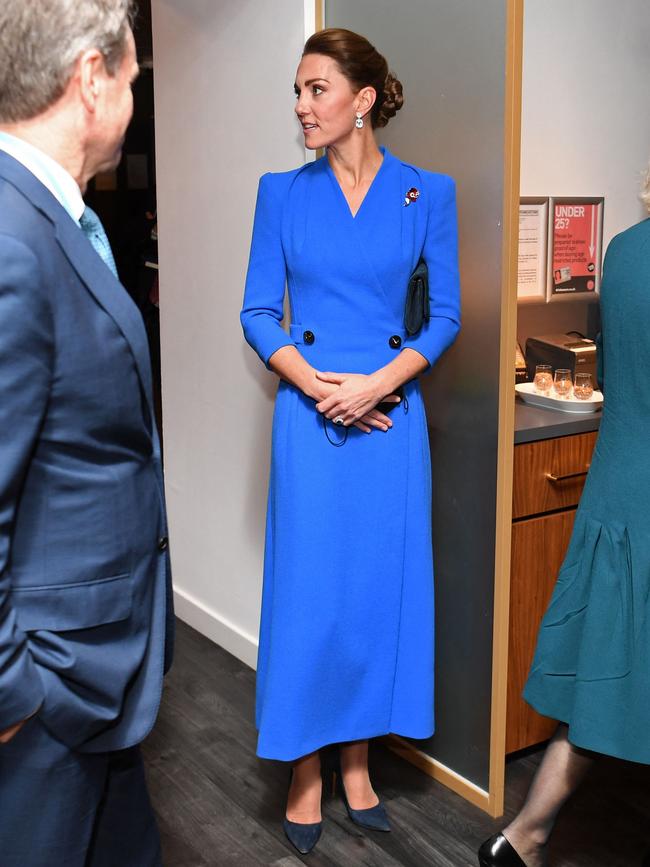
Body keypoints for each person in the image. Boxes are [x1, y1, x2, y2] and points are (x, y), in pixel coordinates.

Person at [240, 27, 460, 855]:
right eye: (297, 91)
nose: (302, 105)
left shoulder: (426, 194)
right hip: (311, 419)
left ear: (362, 100)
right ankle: (303, 769)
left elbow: (445, 317)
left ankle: (359, 763)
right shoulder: (280, 193)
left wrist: (378, 384)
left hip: (390, 426)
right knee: (309, 599)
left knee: (373, 596)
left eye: (316, 89)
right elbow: (259, 312)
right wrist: (321, 387)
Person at [0, 2, 173, 864]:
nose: (136, 101)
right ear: (91, 80)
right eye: (135, 81)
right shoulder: (12, 240)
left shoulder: (64, 217)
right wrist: (16, 696)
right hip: (50, 692)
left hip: (104, 672)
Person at [479, 169, 650, 867]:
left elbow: (613, 367)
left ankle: (522, 833)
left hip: (619, 493)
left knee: (600, 671)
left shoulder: (624, 250)